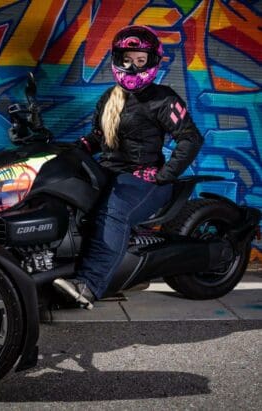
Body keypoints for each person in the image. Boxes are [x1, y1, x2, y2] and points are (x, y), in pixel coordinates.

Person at [53, 25, 204, 309]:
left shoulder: (163, 98)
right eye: (127, 59)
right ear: (117, 59)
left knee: (113, 212)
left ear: (152, 63)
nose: (132, 66)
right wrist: (72, 150)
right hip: (110, 172)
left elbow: (190, 139)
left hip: (142, 180)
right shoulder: (109, 98)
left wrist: (164, 174)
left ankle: (89, 285)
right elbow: (100, 138)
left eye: (140, 60)